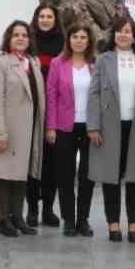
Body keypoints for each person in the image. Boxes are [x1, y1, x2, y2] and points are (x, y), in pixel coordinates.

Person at [88, 15, 135, 242]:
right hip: (109, 126)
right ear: (113, 35)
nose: (124, 35)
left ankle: (134, 225)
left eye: (128, 31)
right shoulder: (103, 60)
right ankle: (113, 224)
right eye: (119, 31)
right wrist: (93, 126)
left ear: (134, 36)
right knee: (111, 176)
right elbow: (94, 93)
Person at [0, 20, 47, 236]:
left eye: (24, 35)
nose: (20, 38)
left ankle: (18, 216)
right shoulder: (0, 63)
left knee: (21, 174)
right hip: (8, 128)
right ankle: (4, 219)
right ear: (8, 39)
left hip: (29, 128)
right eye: (16, 35)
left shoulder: (32, 62)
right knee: (4, 174)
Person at [45, 22, 98, 236]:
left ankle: (82, 220)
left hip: (90, 127)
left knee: (87, 175)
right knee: (65, 175)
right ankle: (68, 219)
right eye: (75, 36)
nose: (78, 40)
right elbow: (51, 96)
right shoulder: (58, 63)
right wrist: (51, 126)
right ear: (69, 40)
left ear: (89, 41)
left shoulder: (96, 64)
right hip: (64, 127)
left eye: (83, 37)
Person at [27, 2, 64, 228]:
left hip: (55, 111)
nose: (45, 20)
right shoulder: (29, 43)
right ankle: (31, 208)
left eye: (49, 16)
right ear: (36, 18)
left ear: (55, 20)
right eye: (42, 16)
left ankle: (48, 209)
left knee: (52, 164)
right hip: (31, 111)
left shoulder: (62, 44)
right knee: (33, 160)